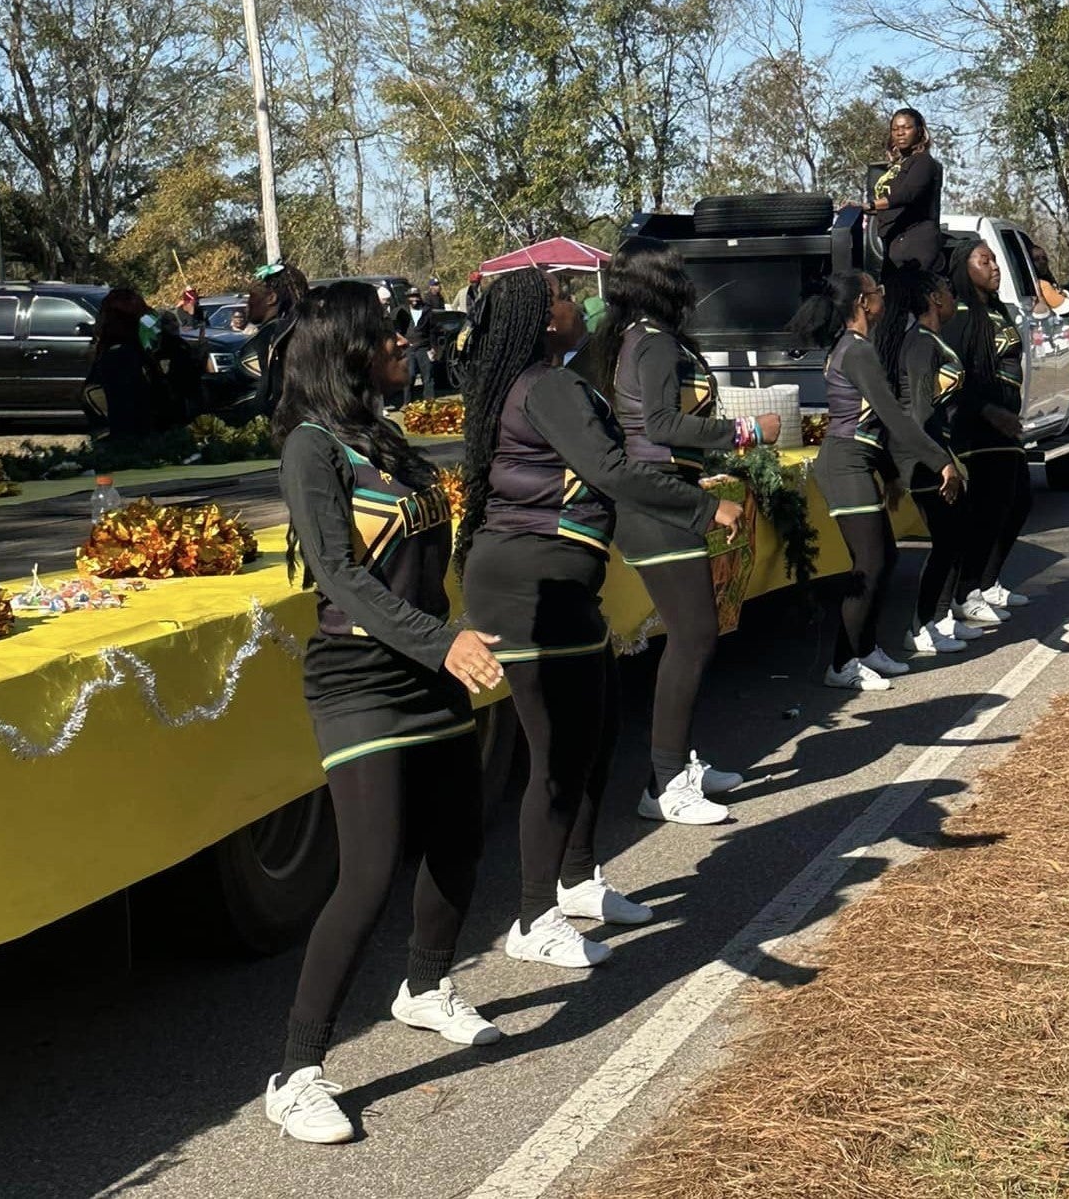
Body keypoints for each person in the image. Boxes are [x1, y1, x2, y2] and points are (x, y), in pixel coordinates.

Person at [265, 282, 505, 1145]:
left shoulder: (388, 440)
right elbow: (342, 578)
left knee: (460, 838)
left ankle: (427, 986)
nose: (407, 347)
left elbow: (421, 559)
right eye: (390, 338)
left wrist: (455, 628)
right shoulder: (310, 448)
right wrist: (438, 642)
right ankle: (295, 1072)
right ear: (350, 351)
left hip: (425, 662)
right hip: (359, 679)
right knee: (368, 875)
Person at [458, 266, 742, 967]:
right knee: (556, 757)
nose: (577, 300)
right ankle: (531, 918)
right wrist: (704, 506)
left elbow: (596, 470)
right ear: (543, 317)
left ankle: (578, 880)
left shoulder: (541, 378)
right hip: (531, 588)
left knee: (597, 732)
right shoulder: (547, 385)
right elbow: (611, 470)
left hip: (556, 584)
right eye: (562, 294)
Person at [595, 237, 782, 822]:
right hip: (653, 504)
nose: (689, 282)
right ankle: (666, 783)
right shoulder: (651, 342)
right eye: (678, 272)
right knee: (694, 635)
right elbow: (659, 423)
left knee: (695, 635)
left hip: (668, 496)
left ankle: (673, 766)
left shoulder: (644, 338)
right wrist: (746, 433)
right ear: (659, 282)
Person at [789, 270, 961, 691]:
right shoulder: (857, 350)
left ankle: (865, 650)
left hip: (858, 461)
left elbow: (876, 425)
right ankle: (842, 663)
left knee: (884, 557)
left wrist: (888, 472)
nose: (883, 296)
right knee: (870, 566)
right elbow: (893, 414)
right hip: (845, 464)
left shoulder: (854, 347)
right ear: (863, 304)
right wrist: (941, 461)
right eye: (876, 291)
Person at [874, 267, 979, 656]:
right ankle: (919, 628)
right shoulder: (919, 344)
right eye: (947, 290)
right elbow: (916, 412)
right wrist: (939, 463)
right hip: (918, 459)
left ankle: (940, 619)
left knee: (958, 535)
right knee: (947, 539)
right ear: (935, 299)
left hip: (938, 453)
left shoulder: (933, 340)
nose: (953, 296)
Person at [943, 242, 1033, 619]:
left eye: (994, 260)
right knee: (987, 510)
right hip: (978, 426)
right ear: (965, 269)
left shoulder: (996, 311)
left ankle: (988, 582)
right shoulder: (960, 315)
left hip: (1005, 425)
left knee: (1019, 502)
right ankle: (965, 593)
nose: (995, 267)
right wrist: (989, 411)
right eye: (985, 261)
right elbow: (953, 380)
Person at [866, 108, 945, 277]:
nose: (900, 133)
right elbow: (889, 205)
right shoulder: (897, 166)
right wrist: (859, 208)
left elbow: (907, 194)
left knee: (914, 298)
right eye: (895, 129)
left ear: (919, 131)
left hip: (915, 242)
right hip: (893, 243)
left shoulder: (923, 161)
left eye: (906, 127)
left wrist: (871, 204)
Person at [86, 288, 171, 438]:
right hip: (134, 440)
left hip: (127, 442)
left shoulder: (120, 357)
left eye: (102, 316)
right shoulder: (128, 356)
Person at [238, 261, 309, 418]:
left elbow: (241, 384)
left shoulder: (270, 336)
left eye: (252, 296)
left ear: (271, 298)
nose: (247, 303)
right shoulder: (301, 332)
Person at [402, 287, 439, 403]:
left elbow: (433, 330)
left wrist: (433, 348)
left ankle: (429, 401)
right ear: (407, 298)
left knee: (428, 376)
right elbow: (397, 329)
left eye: (416, 296)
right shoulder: (402, 311)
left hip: (424, 347)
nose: (414, 299)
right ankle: (407, 403)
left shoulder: (427, 311)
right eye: (412, 297)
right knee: (410, 376)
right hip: (409, 348)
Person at [1030, 244, 1069, 316]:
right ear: (1029, 263)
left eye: (1044, 258)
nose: (1042, 262)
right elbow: (1063, 306)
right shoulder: (1042, 284)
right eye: (1036, 259)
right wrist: (1065, 295)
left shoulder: (1048, 282)